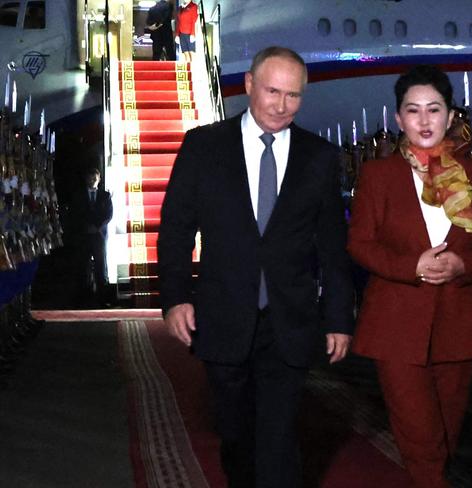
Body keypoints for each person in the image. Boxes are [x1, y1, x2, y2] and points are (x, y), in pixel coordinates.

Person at [157, 46, 355, 488]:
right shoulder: (204, 146)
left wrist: (339, 319)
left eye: (293, 95)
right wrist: (175, 298)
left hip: (289, 322)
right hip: (223, 315)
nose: (281, 105)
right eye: (272, 91)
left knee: (278, 438)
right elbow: (175, 230)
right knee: (235, 436)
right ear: (248, 85)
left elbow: (332, 248)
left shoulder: (319, 157)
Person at [347, 64, 472, 488]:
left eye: (434, 109)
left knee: (445, 436)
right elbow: (360, 244)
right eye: (413, 110)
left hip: (460, 321)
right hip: (397, 326)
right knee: (420, 439)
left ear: (450, 115)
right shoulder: (378, 175)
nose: (424, 121)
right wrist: (411, 266)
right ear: (398, 118)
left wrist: (465, 266)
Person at [69, 167, 112, 306]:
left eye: (95, 178)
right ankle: (83, 298)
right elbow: (75, 213)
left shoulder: (105, 195)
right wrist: (85, 227)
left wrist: (97, 227)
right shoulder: (78, 195)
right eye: (90, 178)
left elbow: (108, 214)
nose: (92, 181)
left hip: (99, 235)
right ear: (86, 179)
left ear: (99, 180)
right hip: (84, 235)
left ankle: (102, 299)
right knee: (83, 266)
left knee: (101, 265)